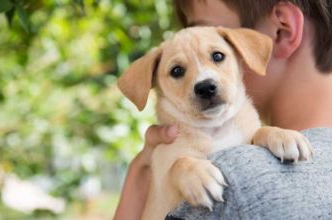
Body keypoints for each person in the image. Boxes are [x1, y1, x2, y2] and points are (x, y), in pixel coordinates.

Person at [114, 0, 332, 219]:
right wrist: (175, 170)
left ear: (283, 30)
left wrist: (265, 134)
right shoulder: (170, 156)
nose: (204, 81)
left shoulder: (239, 180)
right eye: (178, 71)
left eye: (217, 56)